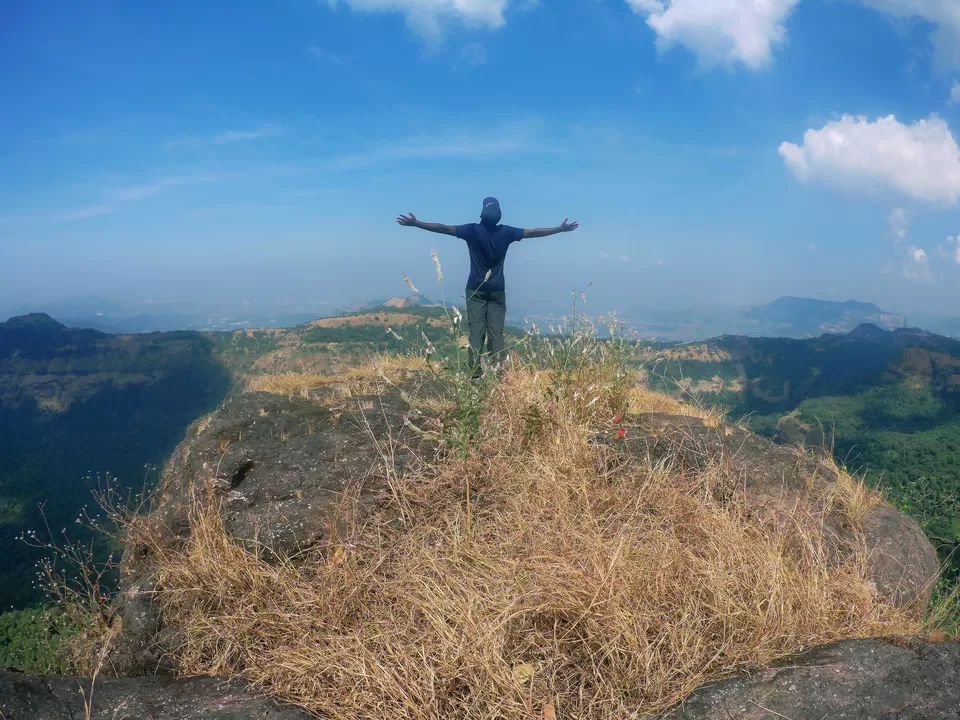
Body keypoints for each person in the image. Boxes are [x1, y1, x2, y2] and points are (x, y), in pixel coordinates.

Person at [397, 197, 579, 377]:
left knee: (476, 332)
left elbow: (443, 228)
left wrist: (417, 223)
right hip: (497, 290)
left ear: (481, 213)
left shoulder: (471, 231)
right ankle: (497, 374)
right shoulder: (506, 232)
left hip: (475, 290)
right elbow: (534, 232)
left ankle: (475, 374)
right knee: (496, 334)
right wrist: (560, 229)